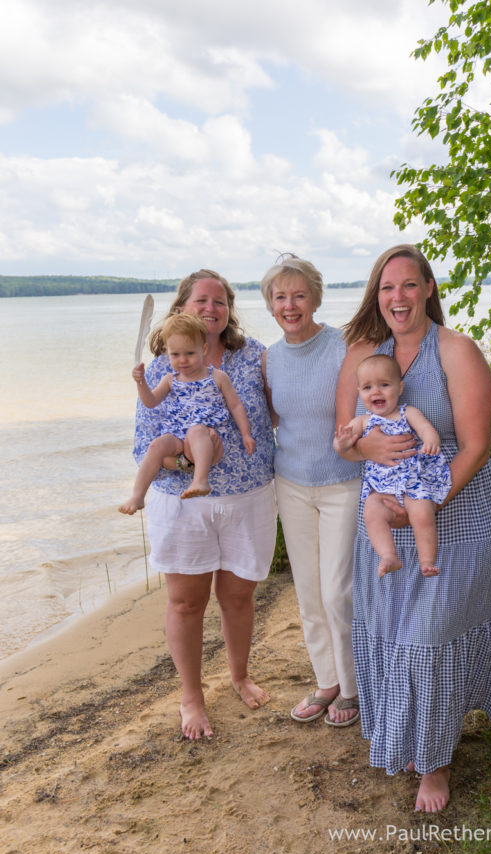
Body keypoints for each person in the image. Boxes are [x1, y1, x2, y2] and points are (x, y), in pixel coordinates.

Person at [336, 245, 491, 812]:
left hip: (455, 515)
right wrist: (364, 449)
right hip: (385, 518)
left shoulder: (456, 351)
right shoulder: (365, 356)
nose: (398, 298)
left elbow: (477, 445)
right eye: (387, 288)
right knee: (397, 630)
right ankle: (409, 733)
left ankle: (435, 762)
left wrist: (427, 504)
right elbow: (343, 437)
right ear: (376, 295)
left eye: (409, 285)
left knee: (431, 635)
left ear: (429, 288)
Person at [132, 270, 276, 740]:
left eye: (220, 301)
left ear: (229, 309)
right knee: (185, 602)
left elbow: (280, 412)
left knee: (237, 597)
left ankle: (239, 676)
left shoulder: (253, 356)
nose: (211, 308)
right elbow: (144, 444)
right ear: (182, 308)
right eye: (201, 300)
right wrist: (189, 459)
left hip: (248, 497)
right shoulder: (162, 367)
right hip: (182, 504)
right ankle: (191, 696)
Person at [260, 254, 362, 727]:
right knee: (308, 591)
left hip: (343, 482)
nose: (290, 305)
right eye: (280, 297)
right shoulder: (270, 359)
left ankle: (354, 686)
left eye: (299, 295)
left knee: (338, 591)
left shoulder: (344, 347)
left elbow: (368, 408)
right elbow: (273, 418)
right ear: (270, 305)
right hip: (292, 484)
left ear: (316, 299)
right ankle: (327, 681)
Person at [120, 314, 254, 513]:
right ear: (168, 353)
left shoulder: (217, 377)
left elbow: (235, 406)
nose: (182, 360)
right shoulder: (170, 379)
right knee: (156, 445)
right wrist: (141, 383)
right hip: (177, 435)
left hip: (207, 438)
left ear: (204, 349)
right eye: (175, 355)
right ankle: (138, 495)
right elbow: (150, 402)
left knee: (196, 430)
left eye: (190, 353)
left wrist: (246, 434)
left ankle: (200, 480)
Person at [333, 353, 451, 578]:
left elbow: (425, 428)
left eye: (384, 385)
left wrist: (430, 440)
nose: (375, 392)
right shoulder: (363, 421)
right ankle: (388, 555)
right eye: (367, 387)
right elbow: (342, 446)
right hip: (380, 488)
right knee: (371, 513)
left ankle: (427, 560)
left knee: (423, 513)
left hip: (412, 482)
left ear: (400, 387)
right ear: (359, 392)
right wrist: (342, 443)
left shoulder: (408, 413)